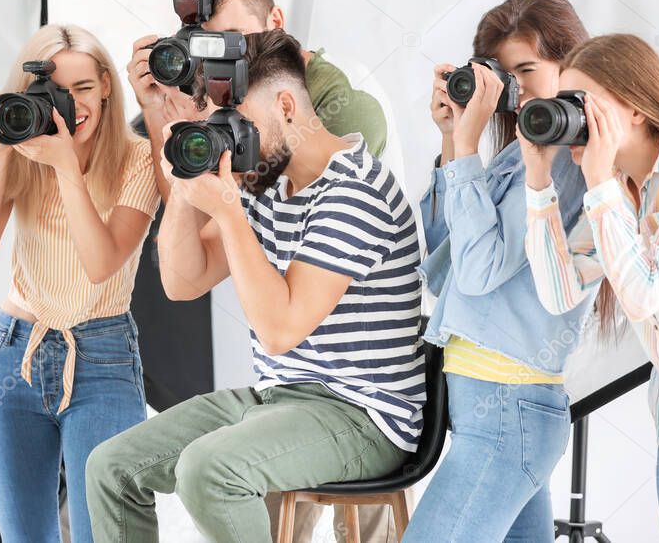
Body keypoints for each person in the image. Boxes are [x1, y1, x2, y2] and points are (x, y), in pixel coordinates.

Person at [85, 29, 424, 543]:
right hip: (277, 398)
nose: (231, 136)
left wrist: (226, 208)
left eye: (241, 122)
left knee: (208, 469)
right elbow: (182, 283)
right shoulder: (270, 181)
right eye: (222, 122)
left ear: (287, 105)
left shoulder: (356, 192)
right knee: (111, 467)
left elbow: (278, 331)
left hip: (363, 416)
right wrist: (183, 179)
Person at [522, 33, 659, 543]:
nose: (575, 120)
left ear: (638, 107)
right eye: (565, 105)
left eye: (584, 105)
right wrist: (539, 182)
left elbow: (646, 291)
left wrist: (598, 181)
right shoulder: (619, 192)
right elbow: (558, 293)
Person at [0, 24, 160, 542]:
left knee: (105, 532)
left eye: (84, 88)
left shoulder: (138, 159)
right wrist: (2, 153)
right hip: (14, 353)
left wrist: (68, 171)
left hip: (102, 358)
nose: (71, 105)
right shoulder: (25, 155)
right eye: (57, 92)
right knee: (26, 536)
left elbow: (101, 263)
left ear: (108, 86)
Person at [403, 0, 594, 542]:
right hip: (493, 411)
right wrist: (450, 140)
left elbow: (481, 271)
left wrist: (467, 148)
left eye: (528, 70)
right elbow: (444, 265)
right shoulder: (518, 152)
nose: (514, 88)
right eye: (502, 73)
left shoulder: (558, 163)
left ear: (570, 65)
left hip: (506, 411)